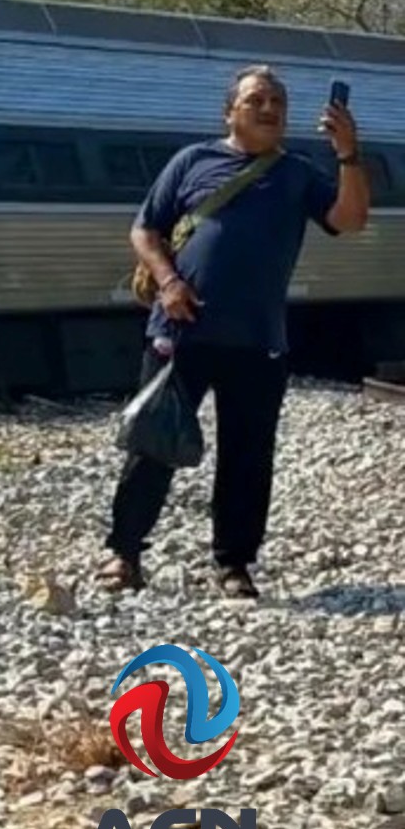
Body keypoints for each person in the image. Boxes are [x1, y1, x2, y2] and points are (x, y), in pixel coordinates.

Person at [97, 64, 370, 599]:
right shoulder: (191, 161)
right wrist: (169, 280)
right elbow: (145, 229)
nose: (269, 109)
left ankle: (234, 563)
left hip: (258, 339)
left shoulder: (296, 173)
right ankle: (123, 553)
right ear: (230, 111)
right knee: (152, 444)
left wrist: (348, 154)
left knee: (248, 455)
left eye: (278, 103)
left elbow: (350, 219)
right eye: (256, 100)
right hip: (181, 332)